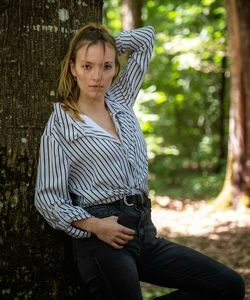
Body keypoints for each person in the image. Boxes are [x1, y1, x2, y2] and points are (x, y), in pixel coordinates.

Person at [34, 23, 245, 300]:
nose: (97, 76)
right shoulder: (61, 123)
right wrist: (96, 226)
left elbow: (146, 39)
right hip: (102, 236)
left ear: (115, 69)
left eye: (106, 66)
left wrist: (106, 44)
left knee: (229, 286)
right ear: (72, 67)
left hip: (144, 232)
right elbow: (47, 198)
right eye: (87, 66)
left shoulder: (120, 99)